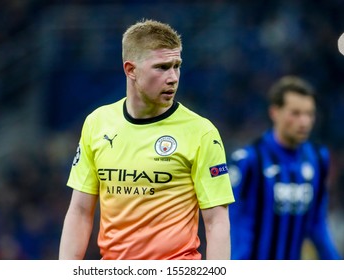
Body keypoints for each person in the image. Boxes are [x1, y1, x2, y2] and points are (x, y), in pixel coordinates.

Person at [58, 19, 235, 260]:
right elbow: (79, 212)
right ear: (130, 70)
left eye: (177, 65)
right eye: (162, 67)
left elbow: (216, 223)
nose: (173, 77)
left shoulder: (202, 133)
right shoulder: (97, 123)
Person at [228, 75, 342, 260]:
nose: (304, 122)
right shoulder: (249, 161)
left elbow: (317, 224)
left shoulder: (318, 159)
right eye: (295, 113)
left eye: (309, 114)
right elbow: (239, 226)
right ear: (275, 112)